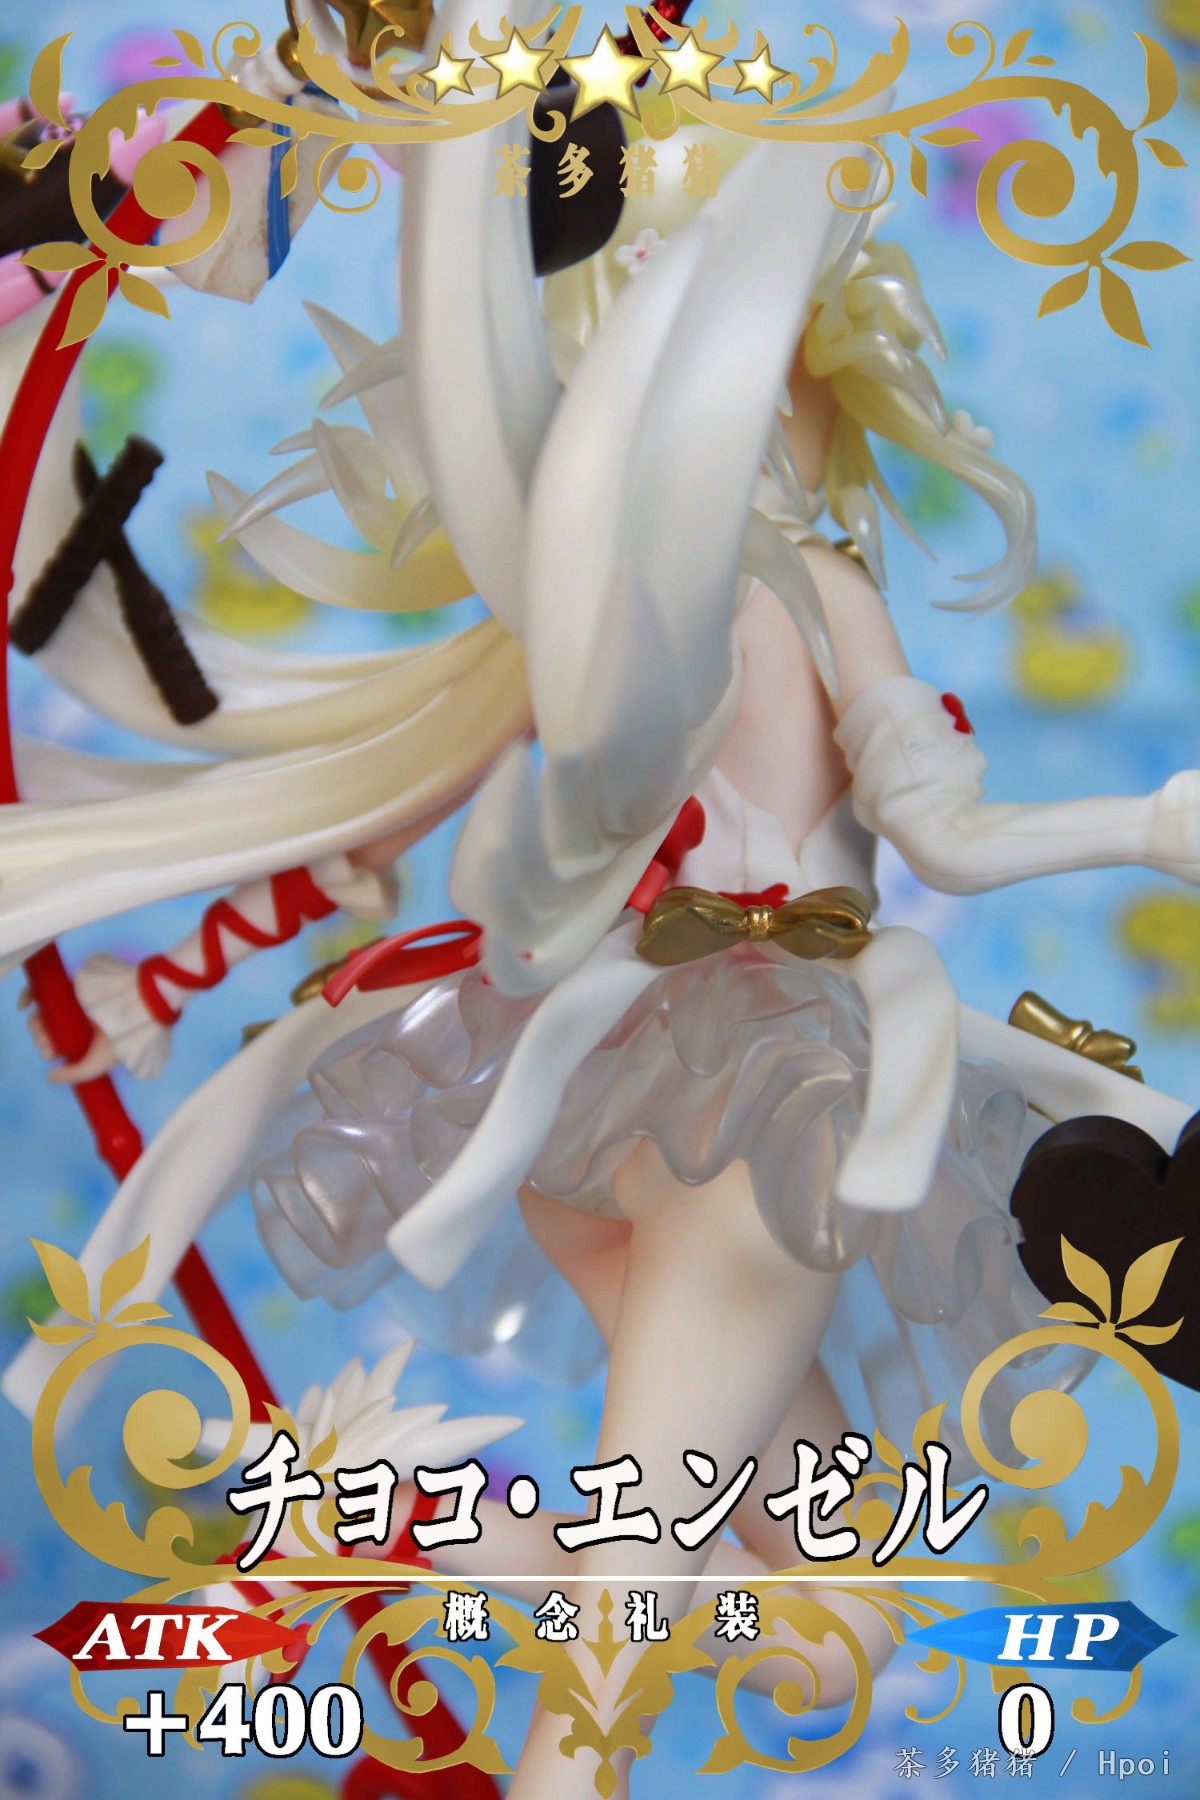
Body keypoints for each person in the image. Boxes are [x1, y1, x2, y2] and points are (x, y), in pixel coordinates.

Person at [7, 4, 1200, 1791]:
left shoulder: (677, 603)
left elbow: (382, 812)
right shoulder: (720, 600)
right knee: (651, 1635)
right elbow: (940, 838)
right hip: (733, 1119)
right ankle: (441, 1551)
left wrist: (1147, 823)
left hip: (618, 1118)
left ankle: (431, 1537)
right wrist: (1146, 821)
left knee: (791, 1611)